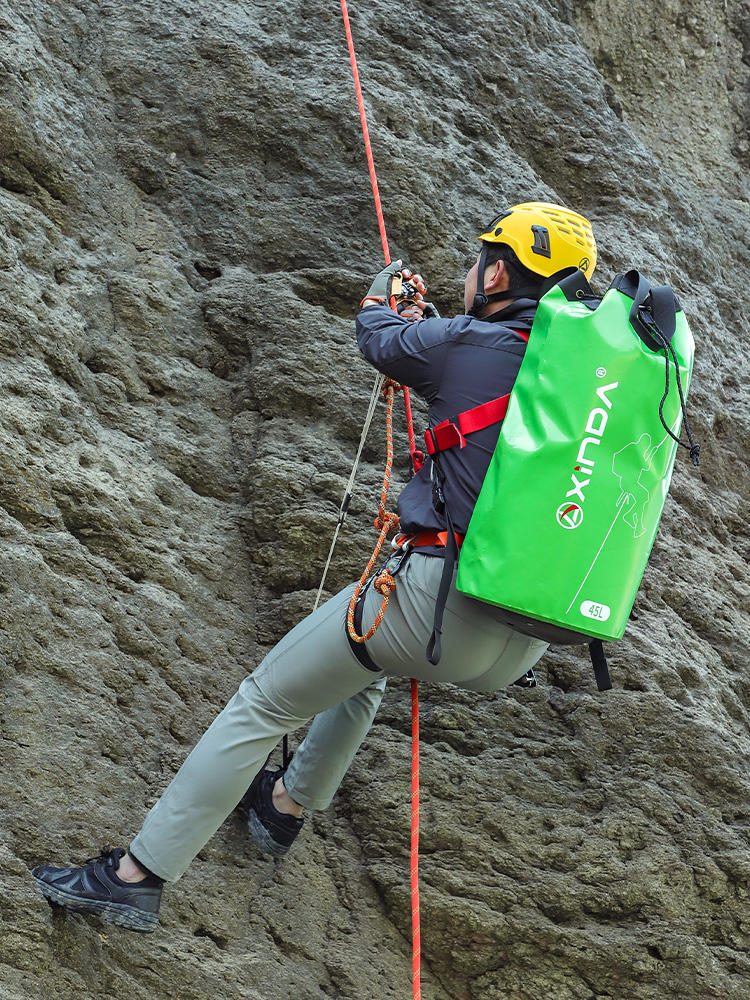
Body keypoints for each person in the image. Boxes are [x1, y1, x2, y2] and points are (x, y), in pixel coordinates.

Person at [32, 201, 597, 933]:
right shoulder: (586, 381)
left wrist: (383, 293)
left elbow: (382, 338)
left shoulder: (469, 341)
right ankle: (286, 805)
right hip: (523, 633)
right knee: (358, 657)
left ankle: (136, 876)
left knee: (264, 702)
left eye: (478, 258)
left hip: (432, 606)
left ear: (496, 271)